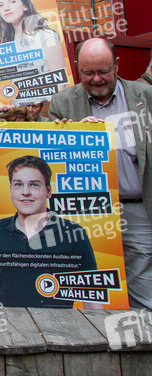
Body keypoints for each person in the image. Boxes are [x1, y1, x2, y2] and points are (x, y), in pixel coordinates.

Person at [49, 37, 152, 311]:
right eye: (88, 73)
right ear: (77, 67)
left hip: (138, 209)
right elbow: (49, 160)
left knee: (144, 286)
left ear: (117, 65)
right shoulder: (62, 103)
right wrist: (73, 134)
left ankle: (143, 333)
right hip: (88, 213)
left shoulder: (145, 97)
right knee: (95, 284)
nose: (96, 79)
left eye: (103, 71)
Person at [0, 155, 99, 308]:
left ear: (48, 191)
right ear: (11, 190)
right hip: (10, 319)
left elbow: (92, 298)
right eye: (18, 184)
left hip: (61, 320)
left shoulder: (74, 233)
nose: (25, 192)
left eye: (34, 185)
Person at [0, 0, 66, 97]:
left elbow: (62, 84)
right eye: (1, 5)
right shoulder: (8, 43)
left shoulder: (46, 36)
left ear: (25, 6)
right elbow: (13, 86)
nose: (6, 8)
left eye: (12, 2)